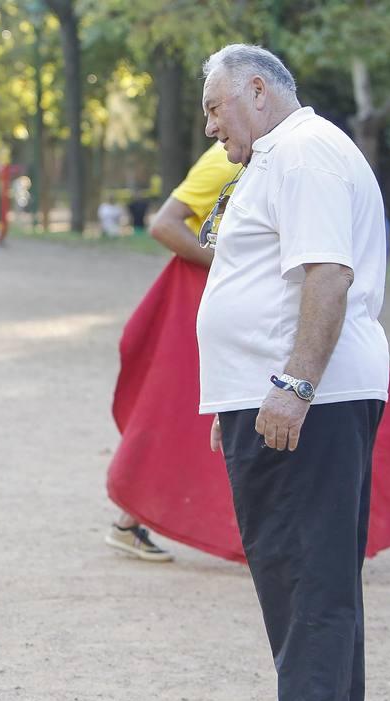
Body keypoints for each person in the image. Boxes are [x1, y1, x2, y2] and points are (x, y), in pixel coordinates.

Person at [199, 44, 387, 701]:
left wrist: (293, 385)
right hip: (274, 397)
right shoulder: (282, 156)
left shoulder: (305, 152)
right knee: (294, 571)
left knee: (309, 575)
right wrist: (236, 400)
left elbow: (327, 275)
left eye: (215, 107)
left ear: (256, 89)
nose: (211, 127)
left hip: (310, 397)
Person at [105, 142, 240, 562]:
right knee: (178, 413)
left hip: (231, 301)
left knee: (183, 415)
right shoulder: (223, 159)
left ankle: (128, 522)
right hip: (201, 299)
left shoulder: (272, 157)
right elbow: (165, 224)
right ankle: (128, 520)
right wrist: (228, 265)